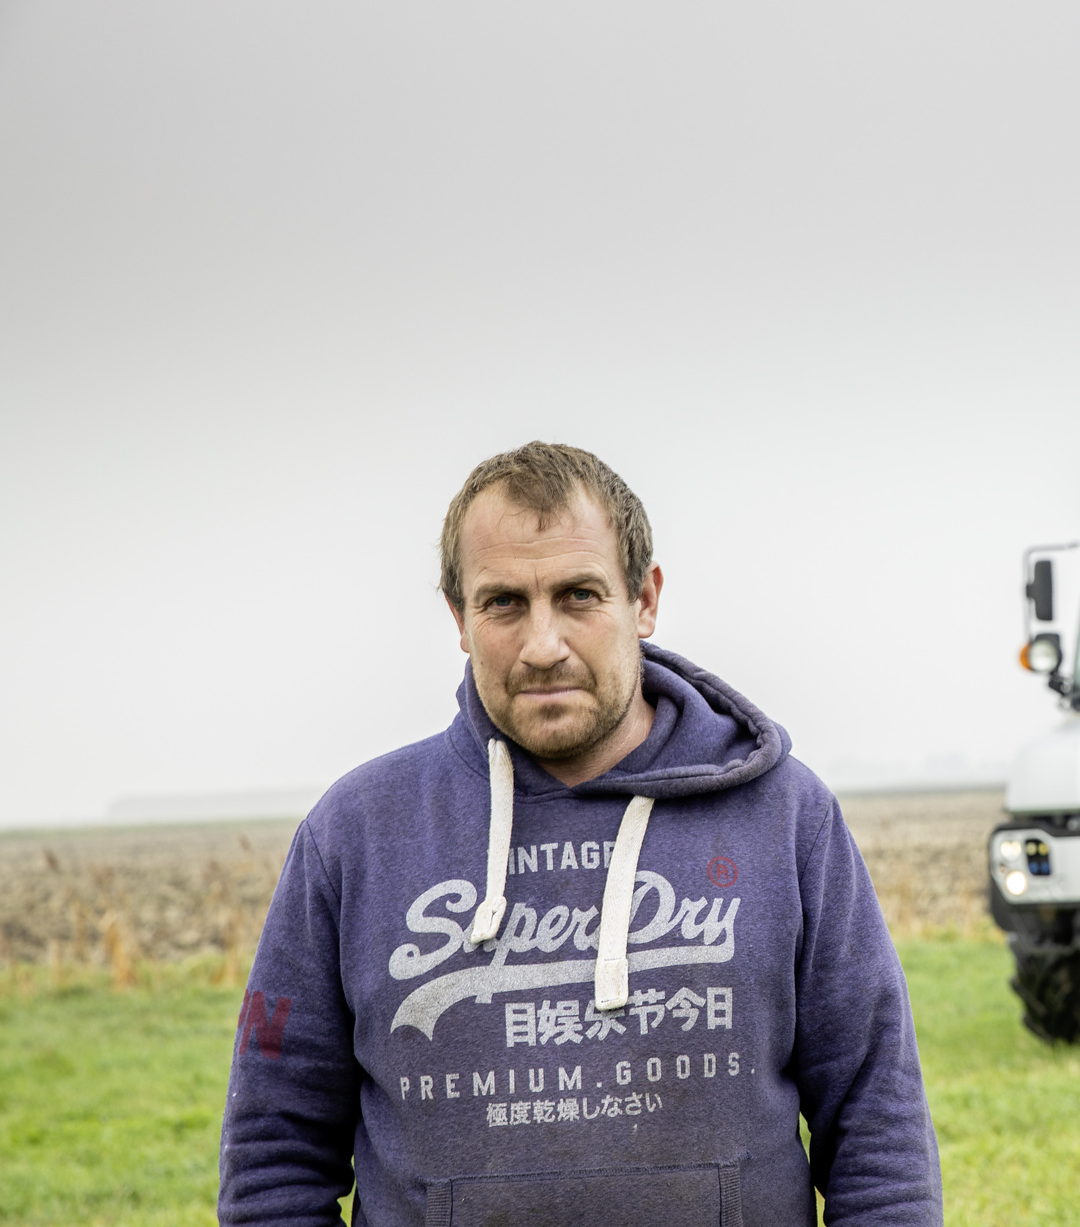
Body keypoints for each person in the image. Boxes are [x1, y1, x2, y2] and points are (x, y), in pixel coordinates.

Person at [219, 442, 941, 1226]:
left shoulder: (786, 817)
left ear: (645, 598)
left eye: (578, 594)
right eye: (502, 603)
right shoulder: (356, 835)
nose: (542, 645)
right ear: (459, 617)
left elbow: (878, 1127)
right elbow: (274, 1158)